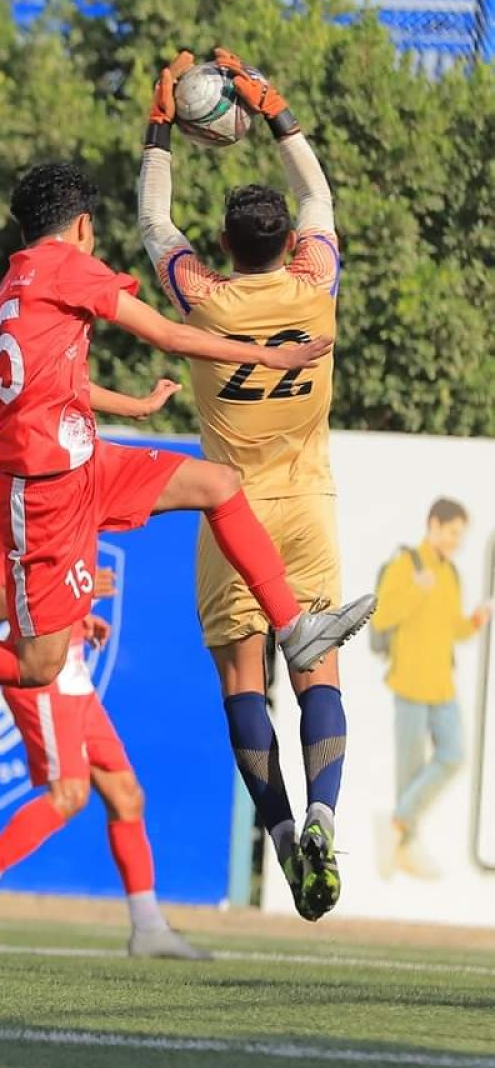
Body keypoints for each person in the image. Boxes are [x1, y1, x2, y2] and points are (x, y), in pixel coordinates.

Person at [0, 154, 375, 720]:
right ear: (82, 225)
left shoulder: (16, 280)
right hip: (44, 494)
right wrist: (267, 355)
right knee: (37, 666)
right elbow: (167, 335)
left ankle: (293, 626)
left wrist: (133, 406)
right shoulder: (66, 266)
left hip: (84, 464)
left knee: (218, 483)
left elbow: (56, 380)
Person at [132, 47, 370, 920]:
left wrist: (161, 122)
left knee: (243, 684)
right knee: (319, 674)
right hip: (308, 506)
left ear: (226, 244)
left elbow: (153, 219)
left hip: (230, 514)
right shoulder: (316, 285)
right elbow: (319, 196)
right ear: (287, 243)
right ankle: (320, 813)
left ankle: (276, 836)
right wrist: (274, 110)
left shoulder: (204, 298)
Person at [0, 517, 211, 960]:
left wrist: (82, 618)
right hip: (42, 675)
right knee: (69, 794)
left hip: (74, 673)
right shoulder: (22, 520)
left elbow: (55, 594)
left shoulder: (77, 519)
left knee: (127, 796)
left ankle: (147, 928)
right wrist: (79, 597)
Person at [373, 498, 491, 878]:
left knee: (454, 755)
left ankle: (394, 826)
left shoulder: (451, 573)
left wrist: (473, 621)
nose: (457, 540)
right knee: (410, 770)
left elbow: (449, 627)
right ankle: (405, 846)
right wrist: (416, 590)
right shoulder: (407, 565)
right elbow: (382, 616)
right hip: (409, 682)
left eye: (461, 534)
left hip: (441, 684)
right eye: (453, 532)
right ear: (434, 525)